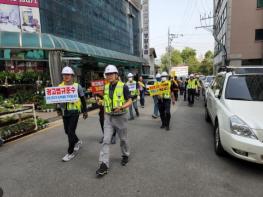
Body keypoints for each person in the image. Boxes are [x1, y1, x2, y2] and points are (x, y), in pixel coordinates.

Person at [96, 65, 132, 177]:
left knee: (123, 139)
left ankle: (125, 155)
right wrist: (99, 100)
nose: (109, 76)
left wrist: (121, 107)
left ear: (116, 75)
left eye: (111, 74)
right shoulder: (106, 87)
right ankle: (104, 164)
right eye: (107, 74)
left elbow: (129, 101)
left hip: (121, 117)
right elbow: (105, 100)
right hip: (108, 117)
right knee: (106, 140)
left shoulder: (123, 86)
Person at [57, 66, 88, 162]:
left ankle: (70, 152)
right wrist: (58, 109)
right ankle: (77, 141)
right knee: (67, 131)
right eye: (64, 75)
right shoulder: (59, 87)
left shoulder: (77, 86)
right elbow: (57, 100)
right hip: (65, 112)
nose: (66, 76)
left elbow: (83, 99)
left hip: (75, 111)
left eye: (68, 75)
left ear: (72, 76)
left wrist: (85, 111)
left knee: (70, 132)